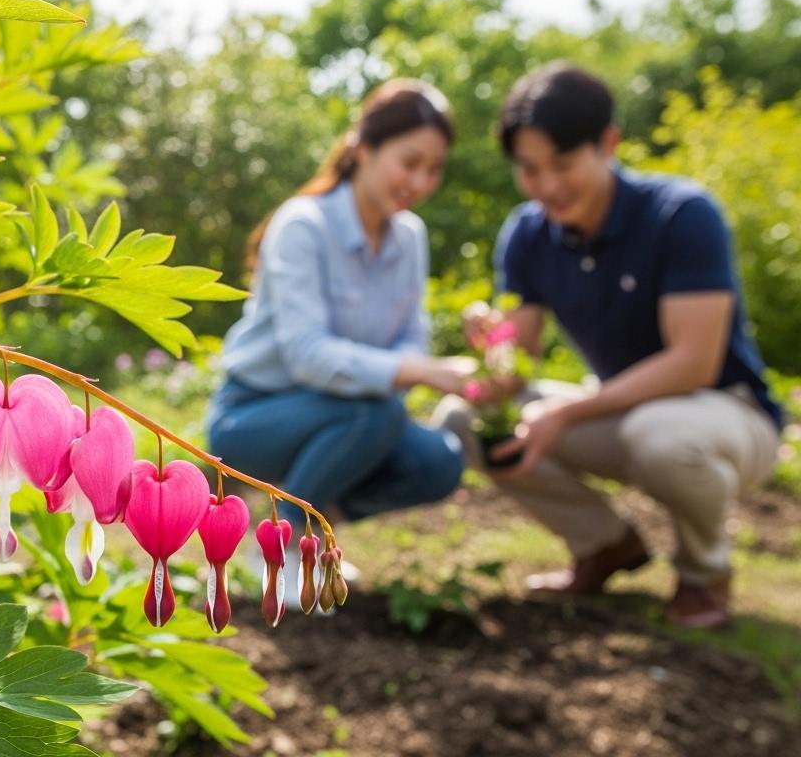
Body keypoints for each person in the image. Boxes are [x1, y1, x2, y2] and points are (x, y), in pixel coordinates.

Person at [436, 63, 782, 629]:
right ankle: (604, 545)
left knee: (660, 435)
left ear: (609, 144)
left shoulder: (681, 215)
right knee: (467, 418)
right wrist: (492, 343)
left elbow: (693, 363)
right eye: (529, 169)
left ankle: (704, 575)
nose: (548, 186)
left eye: (563, 164)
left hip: (726, 414)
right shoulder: (528, 234)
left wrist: (568, 411)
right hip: (621, 412)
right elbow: (513, 371)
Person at [207, 79, 468, 565]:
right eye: (410, 162)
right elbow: (308, 356)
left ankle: (313, 523)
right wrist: (418, 371)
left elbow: (412, 336)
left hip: (355, 419)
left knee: (439, 461)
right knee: (376, 411)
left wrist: (419, 367)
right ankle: (279, 548)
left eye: (434, 169)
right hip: (254, 417)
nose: (420, 182)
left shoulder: (410, 236)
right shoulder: (303, 225)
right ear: (364, 149)